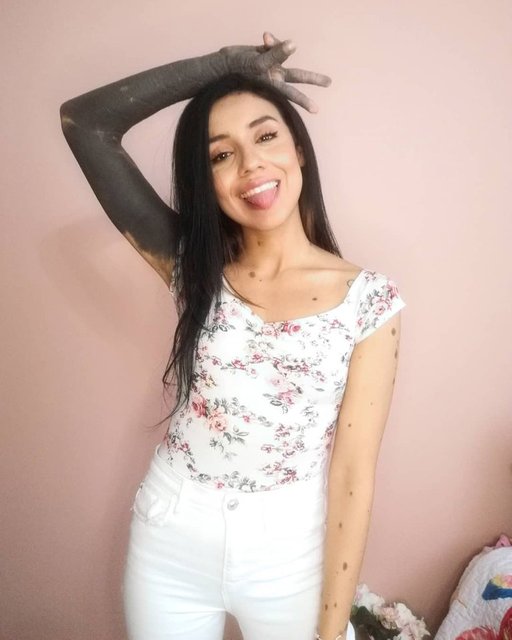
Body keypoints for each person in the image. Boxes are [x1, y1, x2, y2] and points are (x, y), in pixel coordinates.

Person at [60, 32, 405, 640]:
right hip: (171, 539)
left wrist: (331, 630)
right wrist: (218, 69)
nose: (250, 166)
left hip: (292, 558)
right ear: (208, 180)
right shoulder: (191, 265)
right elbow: (85, 123)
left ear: (299, 150)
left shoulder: (369, 301)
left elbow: (354, 474)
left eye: (266, 137)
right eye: (221, 155)